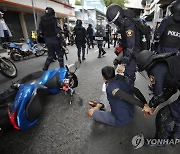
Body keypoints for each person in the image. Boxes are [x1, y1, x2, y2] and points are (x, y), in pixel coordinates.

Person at [136, 50, 180, 144]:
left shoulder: (155, 70)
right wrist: (155, 105)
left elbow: (159, 96)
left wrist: (150, 106)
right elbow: (171, 90)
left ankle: (161, 141)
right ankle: (176, 136)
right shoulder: (165, 61)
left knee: (164, 114)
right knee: (177, 112)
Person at [87, 66, 154, 127]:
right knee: (117, 100)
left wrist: (143, 106)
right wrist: (145, 104)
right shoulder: (120, 78)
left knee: (90, 112)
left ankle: (98, 106)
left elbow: (126, 97)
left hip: (121, 119)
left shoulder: (111, 87)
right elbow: (136, 90)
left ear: (103, 77)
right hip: (130, 109)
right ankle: (107, 108)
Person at [106, 4, 140, 86]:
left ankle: (130, 93)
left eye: (115, 22)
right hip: (126, 51)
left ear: (119, 18)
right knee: (116, 63)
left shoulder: (129, 25)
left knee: (129, 76)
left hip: (133, 53)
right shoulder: (123, 24)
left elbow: (131, 46)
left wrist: (124, 63)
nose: (115, 24)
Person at [39, 7, 65, 71]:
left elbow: (40, 31)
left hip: (47, 40)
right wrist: (62, 40)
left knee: (50, 55)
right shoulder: (54, 20)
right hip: (55, 40)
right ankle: (62, 69)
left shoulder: (42, 20)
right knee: (59, 54)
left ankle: (45, 67)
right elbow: (57, 32)